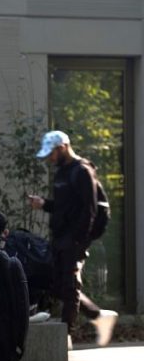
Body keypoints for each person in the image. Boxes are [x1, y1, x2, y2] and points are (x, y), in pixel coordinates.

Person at [27, 130, 118, 345]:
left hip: (75, 237)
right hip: (60, 235)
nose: (49, 158)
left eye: (51, 153)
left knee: (69, 284)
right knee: (56, 284)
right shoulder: (62, 173)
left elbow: (90, 210)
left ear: (62, 148)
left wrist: (80, 240)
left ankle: (65, 335)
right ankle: (99, 316)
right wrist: (44, 204)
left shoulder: (83, 171)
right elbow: (63, 206)